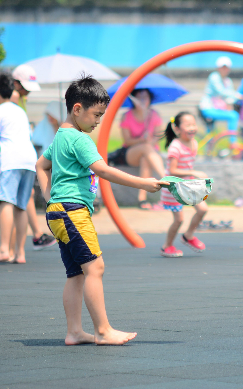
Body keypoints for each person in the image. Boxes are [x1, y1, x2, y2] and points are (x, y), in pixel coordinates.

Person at [36, 75, 168, 345]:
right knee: (95, 268)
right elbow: (103, 170)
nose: (98, 121)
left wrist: (48, 196)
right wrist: (144, 182)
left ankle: (74, 331)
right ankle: (103, 331)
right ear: (77, 109)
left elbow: (40, 165)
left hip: (58, 211)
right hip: (72, 212)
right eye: (96, 115)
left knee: (76, 273)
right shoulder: (80, 140)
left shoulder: (62, 135)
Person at [0, 71, 39, 265]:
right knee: (21, 206)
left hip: (11, 159)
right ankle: (20, 253)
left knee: (5, 202)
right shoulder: (20, 111)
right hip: (30, 159)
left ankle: (4, 249)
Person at [160, 112, 208, 257]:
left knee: (202, 209)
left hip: (187, 186)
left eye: (194, 124)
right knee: (179, 219)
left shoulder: (194, 143)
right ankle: (166, 246)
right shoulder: (175, 147)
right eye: (187, 125)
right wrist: (193, 172)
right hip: (173, 187)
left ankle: (188, 235)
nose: (192, 128)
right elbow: (173, 170)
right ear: (177, 128)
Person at [120, 89, 165, 209]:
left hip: (149, 153)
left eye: (145, 97)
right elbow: (127, 141)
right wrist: (141, 140)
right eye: (139, 97)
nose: (142, 100)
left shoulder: (154, 115)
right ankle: (166, 176)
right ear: (133, 99)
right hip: (131, 153)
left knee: (146, 158)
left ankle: (142, 198)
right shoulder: (127, 116)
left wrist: (150, 141)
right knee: (146, 148)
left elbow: (158, 136)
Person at [199, 56, 243, 142]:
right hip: (208, 108)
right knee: (233, 116)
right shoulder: (214, 77)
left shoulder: (227, 81)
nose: (224, 70)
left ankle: (208, 151)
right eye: (222, 67)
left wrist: (233, 100)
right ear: (218, 68)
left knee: (211, 133)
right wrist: (236, 95)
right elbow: (221, 92)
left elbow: (229, 97)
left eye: (226, 68)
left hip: (217, 108)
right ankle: (232, 143)